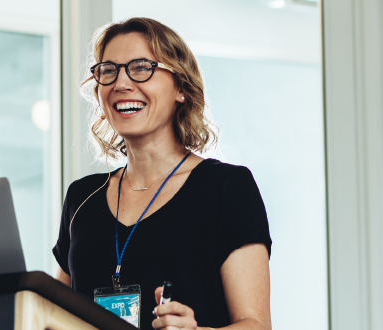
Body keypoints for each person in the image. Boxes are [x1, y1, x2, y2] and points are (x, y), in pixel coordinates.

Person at [52, 17, 272, 330]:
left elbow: (257, 325)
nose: (121, 83)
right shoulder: (81, 197)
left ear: (181, 87)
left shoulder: (227, 187)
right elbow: (52, 314)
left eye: (141, 67)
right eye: (108, 71)